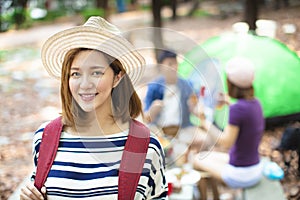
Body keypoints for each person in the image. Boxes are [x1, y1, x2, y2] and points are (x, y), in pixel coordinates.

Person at [20, 16, 168, 199]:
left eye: (96, 72)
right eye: (76, 74)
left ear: (117, 77)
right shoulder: (44, 138)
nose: (85, 84)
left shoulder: (147, 147)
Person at [193, 57, 265, 189]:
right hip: (254, 166)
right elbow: (244, 112)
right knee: (204, 156)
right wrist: (228, 101)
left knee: (197, 159)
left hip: (241, 174)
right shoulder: (256, 103)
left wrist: (204, 122)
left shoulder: (236, 109)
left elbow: (226, 142)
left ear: (230, 82)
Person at [143, 50, 210, 164]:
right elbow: (146, 117)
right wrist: (153, 109)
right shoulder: (154, 87)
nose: (174, 67)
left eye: (175, 63)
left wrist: (197, 109)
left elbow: (195, 105)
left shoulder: (186, 85)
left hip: (182, 127)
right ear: (161, 67)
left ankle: (187, 164)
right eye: (170, 64)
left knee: (205, 140)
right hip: (160, 129)